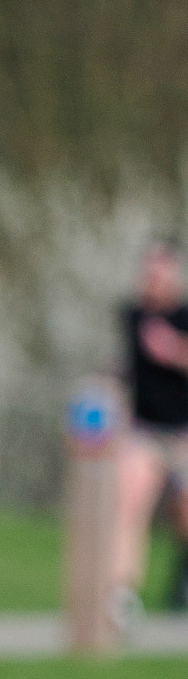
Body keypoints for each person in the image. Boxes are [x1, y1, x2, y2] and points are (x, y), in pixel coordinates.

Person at [112, 238, 188, 626]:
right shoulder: (132, 315)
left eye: (161, 270)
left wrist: (174, 351)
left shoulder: (184, 316)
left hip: (183, 434)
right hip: (144, 432)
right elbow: (127, 371)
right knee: (128, 503)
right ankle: (122, 594)